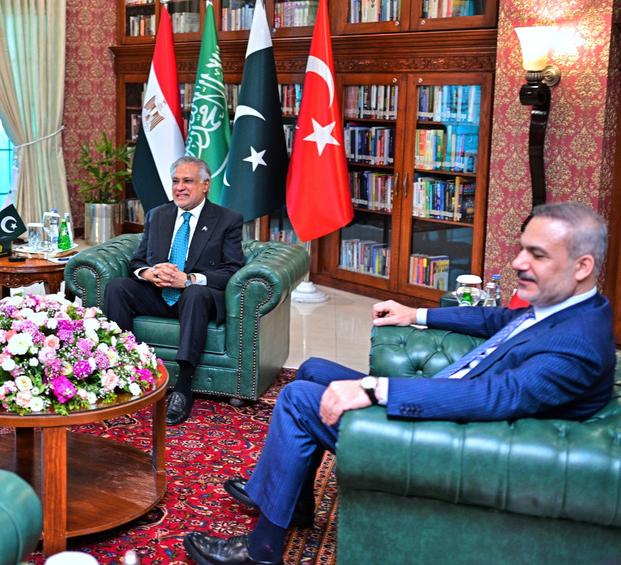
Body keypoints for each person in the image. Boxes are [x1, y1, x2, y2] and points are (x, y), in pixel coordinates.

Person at [184, 201, 617, 565]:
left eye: (537, 255)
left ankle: (261, 549)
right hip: (451, 407)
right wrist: (417, 314)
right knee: (314, 369)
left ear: (582, 266)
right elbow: (498, 318)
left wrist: (376, 388)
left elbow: (494, 395)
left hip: (452, 439)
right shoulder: (570, 308)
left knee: (299, 398)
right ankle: (292, 500)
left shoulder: (576, 343)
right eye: (522, 250)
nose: (520, 263)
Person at [104, 156, 244, 425]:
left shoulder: (227, 219)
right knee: (117, 287)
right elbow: (137, 262)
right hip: (160, 294)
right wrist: (150, 273)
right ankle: (121, 371)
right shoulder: (158, 215)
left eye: (187, 181)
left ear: (205, 185)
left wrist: (189, 279)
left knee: (195, 293)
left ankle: (183, 388)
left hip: (198, 299)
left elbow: (232, 271)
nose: (180, 187)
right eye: (176, 181)